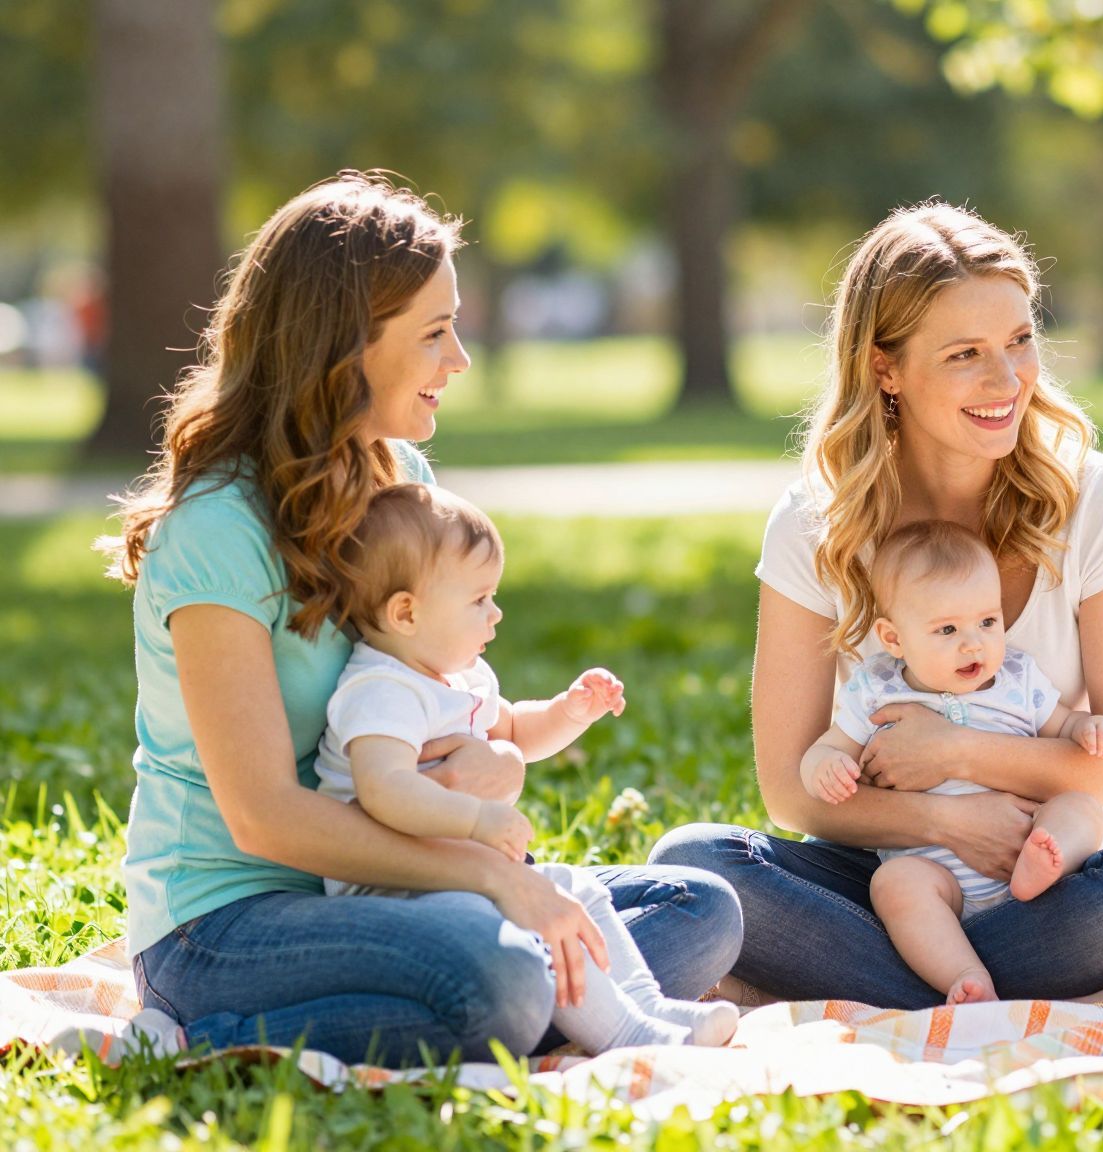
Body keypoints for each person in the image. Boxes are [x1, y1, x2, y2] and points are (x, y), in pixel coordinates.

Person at [81, 173, 740, 1066]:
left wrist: (493, 762)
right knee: (503, 976)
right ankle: (191, 1035)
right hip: (229, 923)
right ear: (340, 345)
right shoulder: (218, 530)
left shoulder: (403, 486)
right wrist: (490, 874)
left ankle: (522, 1001)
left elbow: (446, 705)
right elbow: (264, 818)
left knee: (698, 913)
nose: (459, 359)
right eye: (434, 333)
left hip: (397, 890)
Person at [651, 202, 1103, 1007]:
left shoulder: (1099, 501)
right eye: (964, 354)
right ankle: (982, 985)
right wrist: (943, 823)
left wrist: (954, 755)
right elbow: (792, 790)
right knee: (695, 865)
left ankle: (883, 981)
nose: (1007, 380)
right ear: (885, 368)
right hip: (892, 872)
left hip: (1042, 873)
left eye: (1020, 340)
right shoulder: (814, 524)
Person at [313, 483, 740, 1051]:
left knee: (575, 890)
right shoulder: (381, 690)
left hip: (455, 872)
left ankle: (648, 1007)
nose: (496, 613)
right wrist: (475, 820)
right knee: (533, 925)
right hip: (391, 885)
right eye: (478, 600)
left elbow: (513, 730)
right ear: (406, 612)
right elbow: (384, 789)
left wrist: (568, 712)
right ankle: (627, 1034)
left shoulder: (457, 674)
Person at [802, 519, 1103, 1005]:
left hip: (1026, 843)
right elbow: (826, 748)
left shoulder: (1017, 679)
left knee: (1082, 807)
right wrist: (826, 766)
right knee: (895, 884)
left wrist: (1089, 728)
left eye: (988, 622)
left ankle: (1047, 860)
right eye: (948, 629)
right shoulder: (876, 690)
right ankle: (966, 977)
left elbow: (1063, 726)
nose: (974, 643)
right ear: (894, 638)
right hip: (938, 880)